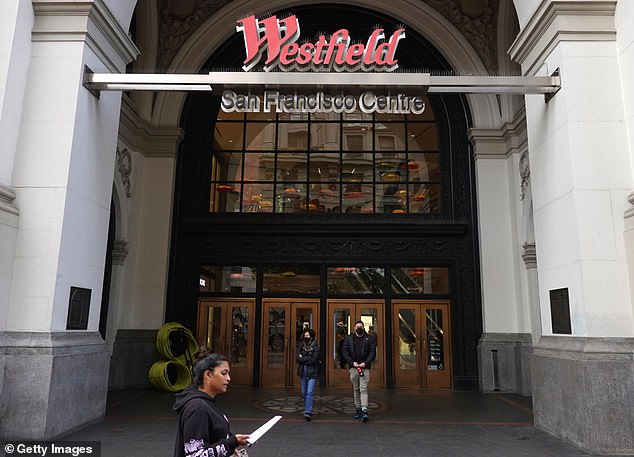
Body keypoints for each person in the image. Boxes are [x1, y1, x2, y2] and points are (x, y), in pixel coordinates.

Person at [173, 351, 250, 457]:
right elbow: (196, 455)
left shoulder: (206, 403)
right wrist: (232, 442)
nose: (228, 378)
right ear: (208, 375)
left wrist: (231, 445)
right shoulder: (198, 408)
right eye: (224, 373)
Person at [342, 320, 376, 423]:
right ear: (354, 328)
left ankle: (364, 410)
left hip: (365, 367)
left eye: (361, 326)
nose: (359, 328)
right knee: (356, 389)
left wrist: (365, 363)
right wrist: (352, 363)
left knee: (363, 388)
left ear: (363, 327)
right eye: (357, 326)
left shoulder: (369, 339)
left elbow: (372, 352)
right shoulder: (349, 339)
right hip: (354, 368)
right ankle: (358, 409)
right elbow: (345, 351)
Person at [296, 328, 320, 421]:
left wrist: (303, 358)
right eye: (305, 335)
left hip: (312, 372)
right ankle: (307, 407)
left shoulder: (315, 347)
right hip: (303, 372)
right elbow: (297, 357)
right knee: (304, 393)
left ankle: (307, 412)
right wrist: (307, 358)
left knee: (309, 392)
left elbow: (314, 359)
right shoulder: (301, 345)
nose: (305, 337)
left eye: (307, 336)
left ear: (311, 337)